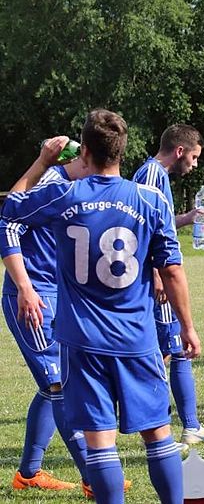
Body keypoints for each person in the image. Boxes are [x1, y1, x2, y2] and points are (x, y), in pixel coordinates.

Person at [0, 109, 201, 503]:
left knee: (100, 440)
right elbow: (172, 270)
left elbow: (10, 211)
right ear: (121, 152)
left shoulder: (64, 194)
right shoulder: (150, 199)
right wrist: (188, 327)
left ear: (85, 151)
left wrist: (42, 162)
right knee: (158, 433)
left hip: (83, 339)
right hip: (137, 337)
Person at [2, 140, 89, 493]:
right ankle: (94, 479)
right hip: (34, 299)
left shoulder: (73, 186)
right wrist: (25, 288)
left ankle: (28, 474)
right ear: (79, 159)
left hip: (57, 296)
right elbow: (8, 220)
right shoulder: (52, 183)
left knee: (50, 385)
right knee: (60, 386)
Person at [132, 124, 204, 444]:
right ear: (180, 151)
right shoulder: (152, 175)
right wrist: (158, 275)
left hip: (157, 275)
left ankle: (186, 425)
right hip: (157, 278)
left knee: (171, 351)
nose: (195, 164)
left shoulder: (155, 175)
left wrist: (189, 217)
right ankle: (170, 426)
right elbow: (142, 227)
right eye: (194, 157)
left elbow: (159, 222)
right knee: (173, 350)